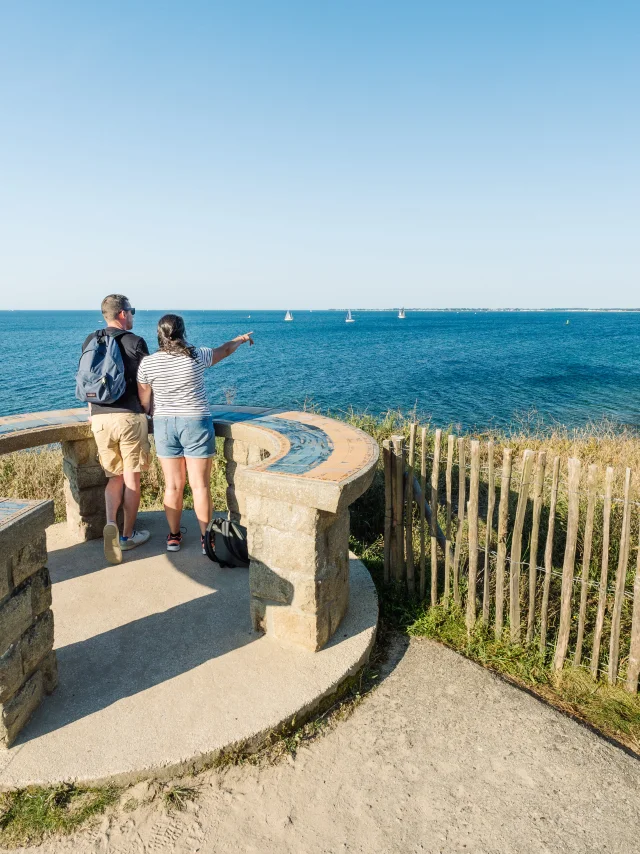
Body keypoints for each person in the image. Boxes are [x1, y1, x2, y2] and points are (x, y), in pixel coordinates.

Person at [137, 314, 254, 553]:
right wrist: (241, 339)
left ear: (159, 334)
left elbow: (145, 402)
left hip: (164, 424)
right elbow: (225, 350)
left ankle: (173, 537)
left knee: (173, 486)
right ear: (182, 332)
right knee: (200, 486)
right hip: (196, 421)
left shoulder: (148, 363)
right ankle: (206, 540)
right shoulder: (196, 355)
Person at [83, 294, 152, 565]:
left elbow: (89, 380)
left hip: (99, 419)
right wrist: (146, 409)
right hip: (128, 417)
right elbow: (146, 382)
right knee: (132, 478)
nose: (133, 315)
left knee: (114, 478)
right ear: (123, 314)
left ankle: (111, 521)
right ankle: (127, 536)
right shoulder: (135, 341)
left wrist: (92, 414)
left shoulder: (91, 340)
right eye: (131, 311)